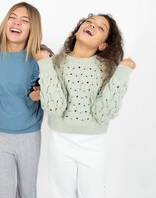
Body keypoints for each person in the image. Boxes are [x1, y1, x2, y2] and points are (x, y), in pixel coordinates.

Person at [35, 13, 136, 198]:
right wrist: (45, 65)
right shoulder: (55, 62)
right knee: (61, 194)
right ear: (76, 32)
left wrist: (122, 74)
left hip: (94, 145)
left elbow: (103, 113)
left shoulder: (108, 68)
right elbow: (54, 107)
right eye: (89, 22)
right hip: (59, 141)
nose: (92, 25)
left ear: (103, 44)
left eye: (101, 27)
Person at [0, 1, 52, 198]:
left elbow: (52, 90)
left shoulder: (40, 57)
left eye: (24, 20)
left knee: (28, 191)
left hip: (29, 135)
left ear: (33, 29)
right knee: (5, 192)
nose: (16, 23)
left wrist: (42, 93)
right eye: (12, 17)